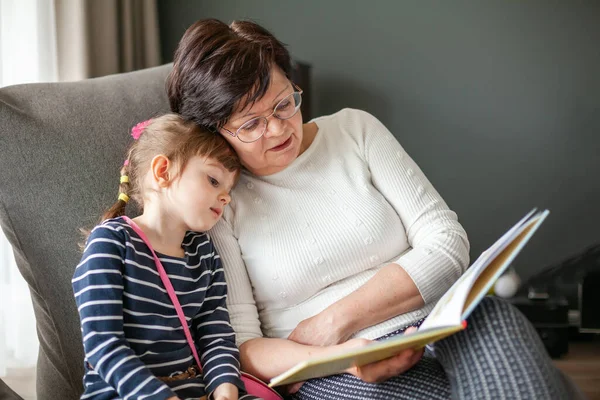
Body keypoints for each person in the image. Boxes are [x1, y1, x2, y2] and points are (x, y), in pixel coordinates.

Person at [166, 19, 583, 400]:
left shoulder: (354, 130)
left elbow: (447, 242)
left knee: (497, 317)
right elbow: (242, 345)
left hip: (434, 324)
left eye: (282, 104)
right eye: (250, 124)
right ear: (216, 133)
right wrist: (345, 354)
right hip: (332, 371)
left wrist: (332, 323)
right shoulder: (220, 200)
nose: (277, 129)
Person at [72, 114, 260, 400]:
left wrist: (225, 391)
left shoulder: (204, 253)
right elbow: (103, 345)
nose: (226, 198)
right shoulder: (111, 243)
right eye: (213, 180)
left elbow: (217, 335)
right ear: (163, 171)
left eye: (228, 191)